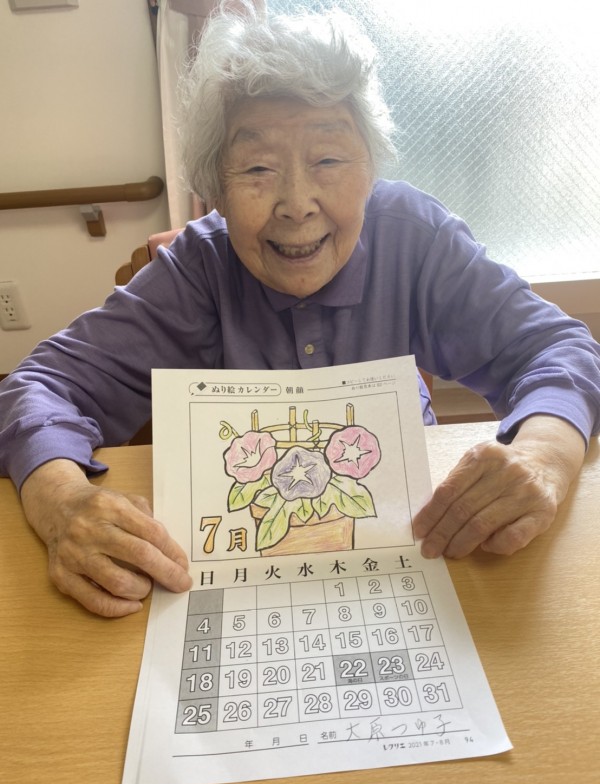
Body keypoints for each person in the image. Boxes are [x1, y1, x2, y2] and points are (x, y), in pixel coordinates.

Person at [1, 2, 599, 619]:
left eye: (328, 160)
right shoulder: (196, 273)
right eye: (258, 168)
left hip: (410, 554)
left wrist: (543, 454)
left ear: (370, 166)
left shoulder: (414, 239)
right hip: (233, 573)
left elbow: (558, 348)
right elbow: (38, 387)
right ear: (216, 189)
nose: (296, 203)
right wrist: (62, 500)